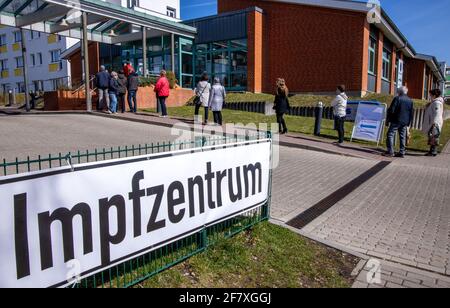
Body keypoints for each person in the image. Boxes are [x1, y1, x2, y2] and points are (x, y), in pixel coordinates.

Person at [384, 86, 414, 158]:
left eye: (397, 91)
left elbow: (392, 110)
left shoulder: (397, 98)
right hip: (405, 121)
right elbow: (411, 112)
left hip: (396, 120)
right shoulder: (410, 100)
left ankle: (390, 151)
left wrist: (388, 120)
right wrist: (409, 122)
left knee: (390, 134)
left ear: (400, 92)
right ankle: (402, 152)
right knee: (402, 136)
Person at [422, 89, 444, 157]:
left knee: (434, 136)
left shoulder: (437, 103)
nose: (430, 96)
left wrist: (434, 122)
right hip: (434, 122)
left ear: (434, 95)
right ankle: (432, 151)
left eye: (430, 95)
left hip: (435, 122)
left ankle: (433, 152)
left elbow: (437, 114)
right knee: (432, 136)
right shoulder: (434, 102)